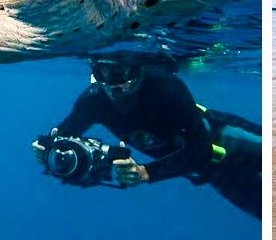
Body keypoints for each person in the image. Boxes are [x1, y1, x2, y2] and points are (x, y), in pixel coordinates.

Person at [35, 57, 261, 219]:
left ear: (138, 68)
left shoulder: (165, 86)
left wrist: (146, 173)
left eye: (122, 70)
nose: (115, 84)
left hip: (229, 139)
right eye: (103, 71)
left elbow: (201, 148)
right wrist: (47, 149)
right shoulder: (94, 101)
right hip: (212, 173)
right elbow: (64, 134)